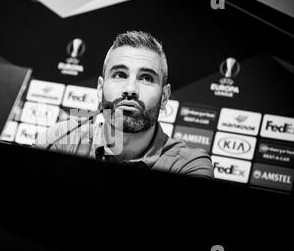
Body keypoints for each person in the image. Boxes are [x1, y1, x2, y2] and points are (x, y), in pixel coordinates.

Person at [35, 30, 213, 179]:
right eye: (120, 74)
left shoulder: (189, 165)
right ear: (100, 88)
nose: (130, 89)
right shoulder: (63, 140)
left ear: (165, 96)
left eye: (146, 78)